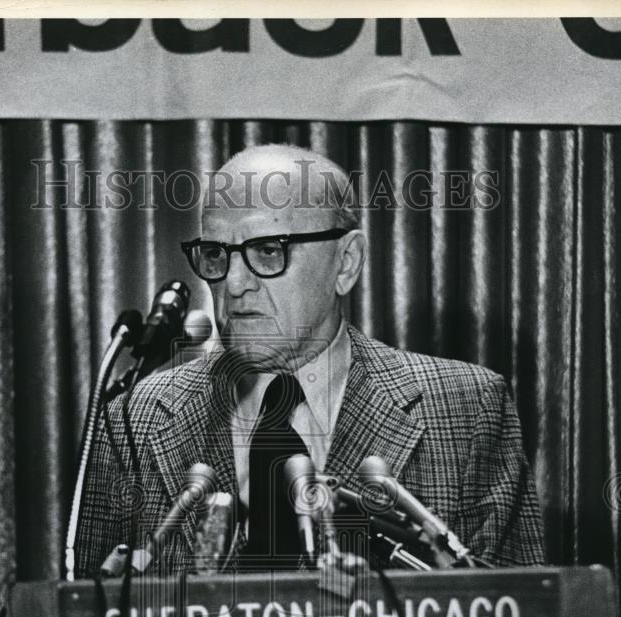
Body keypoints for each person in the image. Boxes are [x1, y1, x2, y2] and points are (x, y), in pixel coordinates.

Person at [74, 144, 544, 577]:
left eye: (267, 250)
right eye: (217, 254)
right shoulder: (133, 417)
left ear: (346, 263)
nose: (234, 283)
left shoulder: (465, 408)